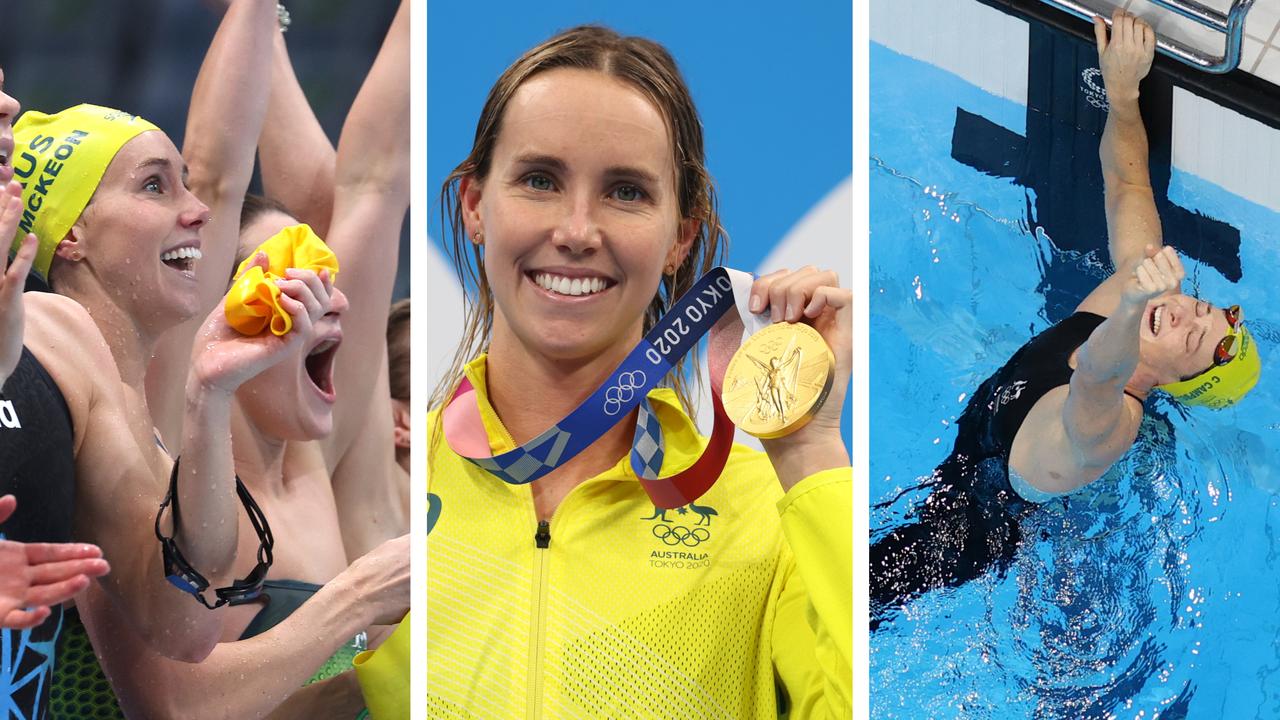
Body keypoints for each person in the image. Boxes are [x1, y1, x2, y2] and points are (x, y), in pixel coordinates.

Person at [428, 25, 852, 717]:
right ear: (476, 205)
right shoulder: (405, 483)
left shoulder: (759, 515)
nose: (576, 230)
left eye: (625, 192)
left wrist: (807, 451)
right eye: (540, 180)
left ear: (680, 237)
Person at [57, 2, 411, 717]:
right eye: (291, 279)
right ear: (217, 314)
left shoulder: (328, 461)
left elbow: (375, 181)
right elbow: (217, 177)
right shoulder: (148, 452)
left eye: (326, 280)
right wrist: (359, 607)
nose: (328, 300)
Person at [871, 10, 1261, 624]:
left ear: (1180, 382)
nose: (1186, 313)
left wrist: (1133, 305)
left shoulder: (1116, 422)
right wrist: (1124, 92)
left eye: (1195, 338)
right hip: (973, 447)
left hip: (982, 528)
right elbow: (1127, 186)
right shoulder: (1142, 293)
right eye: (1202, 309)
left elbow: (1097, 377)